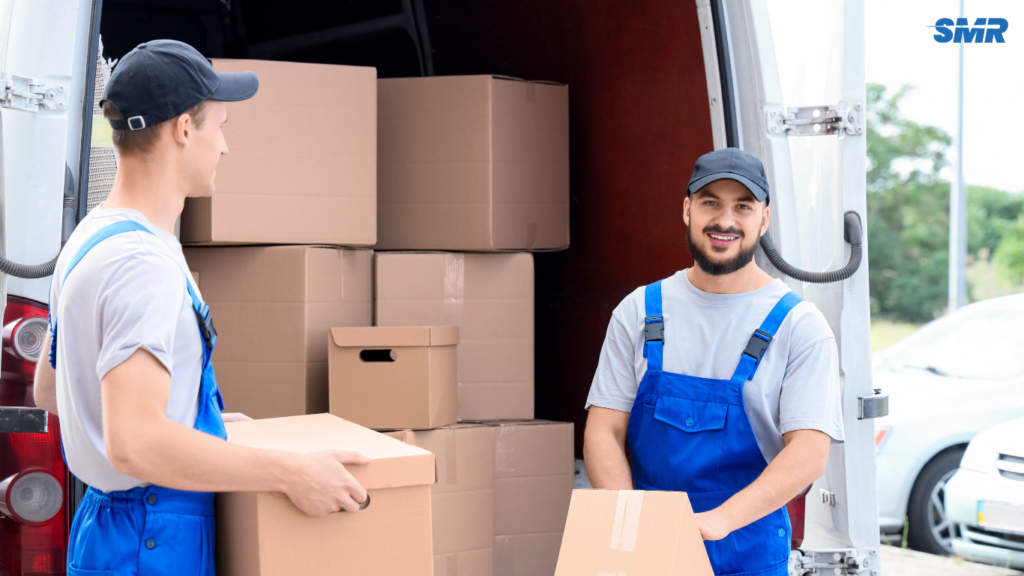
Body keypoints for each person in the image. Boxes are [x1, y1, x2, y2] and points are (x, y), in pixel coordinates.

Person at [32, 40, 370, 575]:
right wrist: (290, 474)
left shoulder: (91, 237)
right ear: (183, 130)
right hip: (151, 539)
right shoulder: (141, 264)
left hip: (110, 532)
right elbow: (135, 444)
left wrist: (188, 417)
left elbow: (51, 389)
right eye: (221, 127)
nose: (225, 148)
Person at [583, 148, 844, 576]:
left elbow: (810, 454)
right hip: (650, 546)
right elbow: (603, 428)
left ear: (764, 218)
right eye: (710, 203)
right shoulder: (639, 310)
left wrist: (717, 522)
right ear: (687, 210)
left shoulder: (799, 326)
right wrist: (627, 522)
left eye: (743, 206)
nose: (725, 221)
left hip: (747, 549)